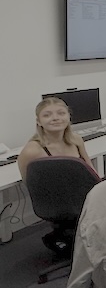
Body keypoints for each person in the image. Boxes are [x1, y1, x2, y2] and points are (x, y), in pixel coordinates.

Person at [18, 97, 97, 255]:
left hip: (83, 195)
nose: (55, 118)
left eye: (61, 113)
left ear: (68, 117)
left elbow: (91, 172)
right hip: (54, 202)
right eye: (47, 115)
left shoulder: (76, 141)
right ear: (38, 121)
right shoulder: (32, 150)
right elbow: (29, 183)